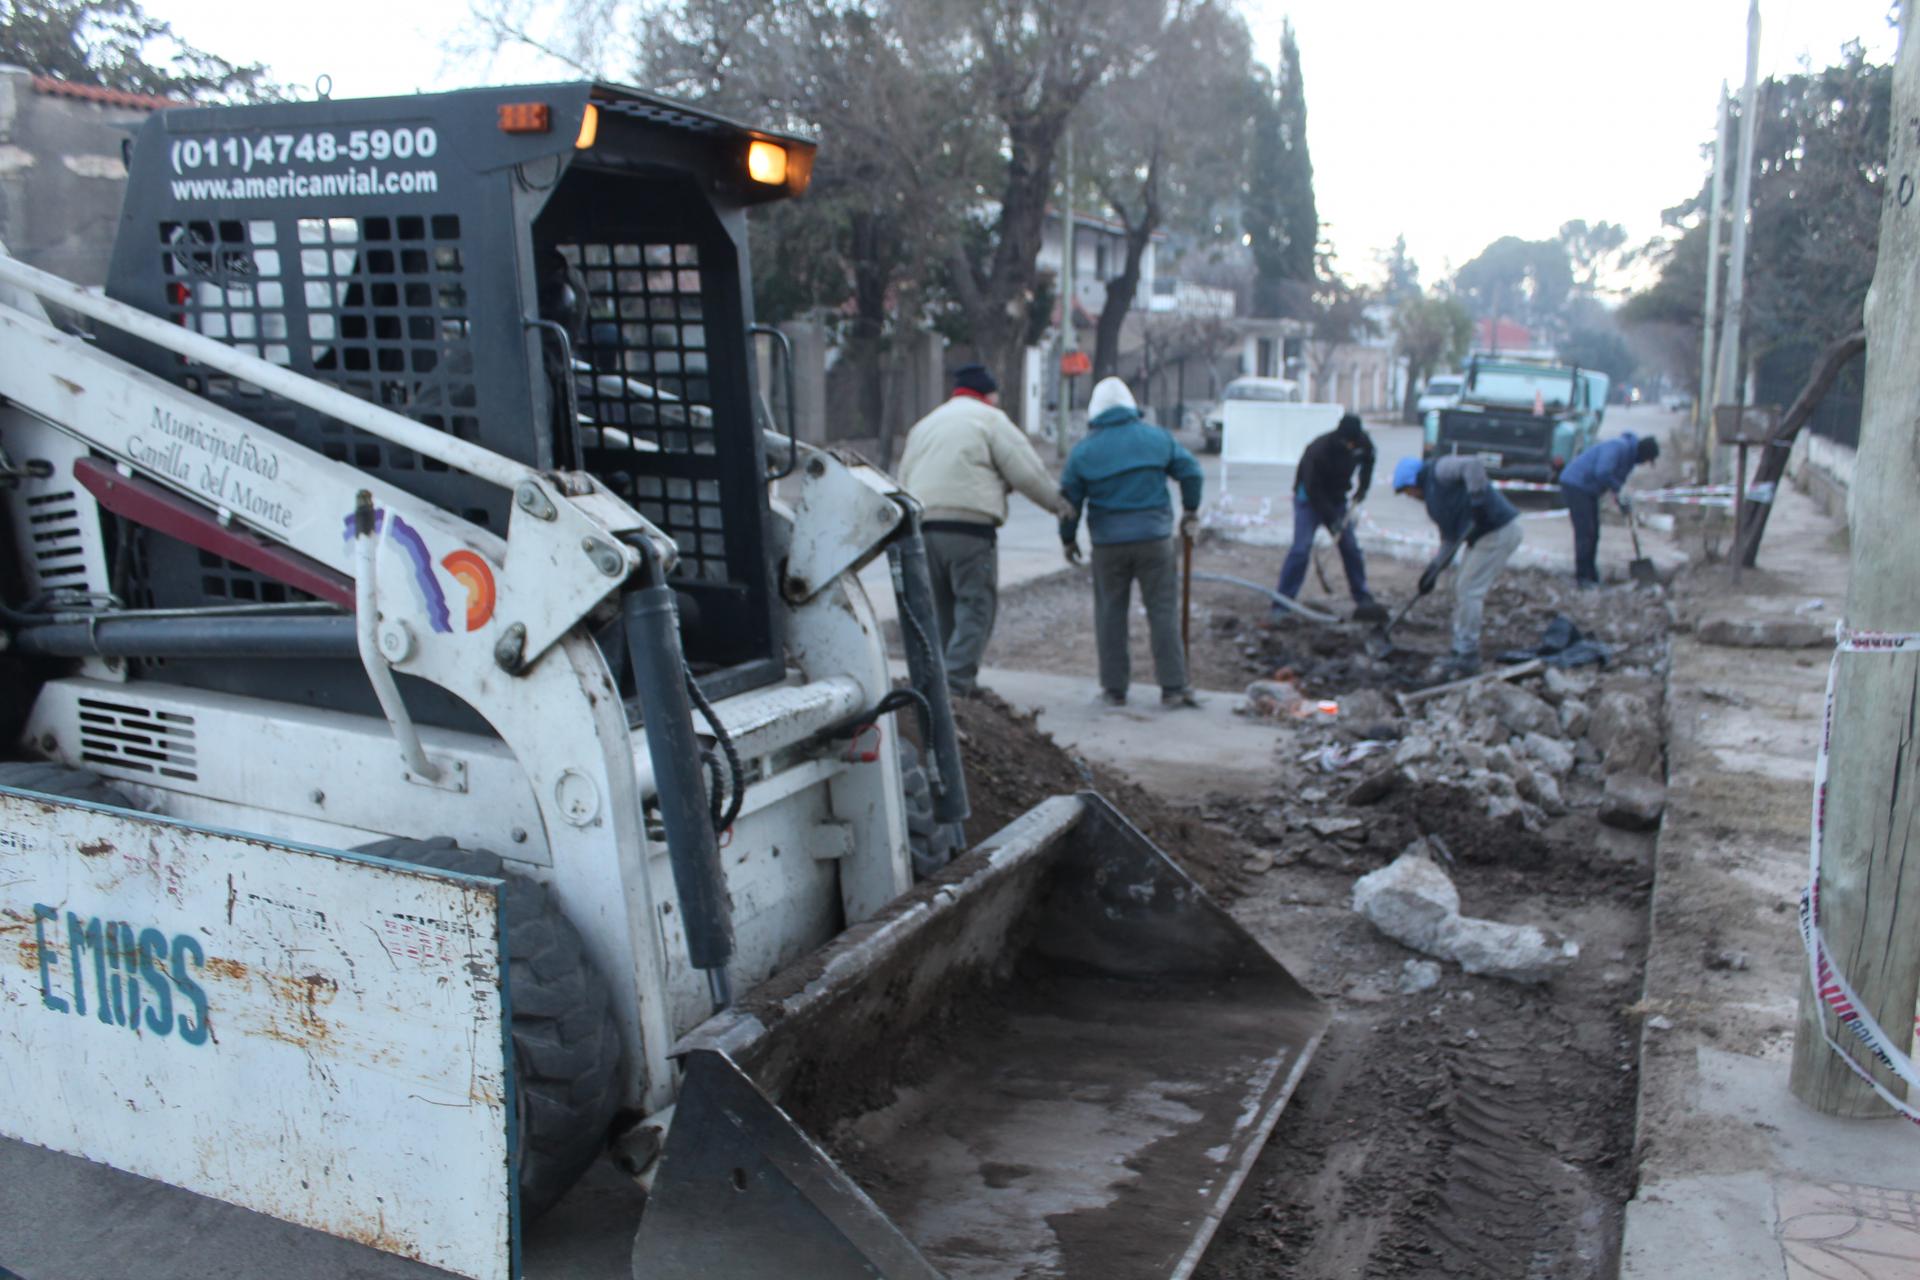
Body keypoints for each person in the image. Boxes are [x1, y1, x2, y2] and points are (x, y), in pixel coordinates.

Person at [897, 363, 1072, 696]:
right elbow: (1027, 472)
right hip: (970, 528)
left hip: (924, 529)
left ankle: (941, 684)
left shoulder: (925, 425)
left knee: (943, 607)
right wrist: (1059, 505)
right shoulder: (990, 420)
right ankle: (958, 684)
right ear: (987, 394)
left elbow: (904, 478)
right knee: (976, 606)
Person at [1058, 377, 1205, 708]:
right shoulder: (1157, 439)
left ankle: (1114, 689)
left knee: (1110, 614)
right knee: (1163, 612)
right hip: (1155, 540)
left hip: (1108, 545)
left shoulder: (1084, 451)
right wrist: (1190, 512)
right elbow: (1192, 472)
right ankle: (1173, 687)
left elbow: (1068, 501)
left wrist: (1068, 540)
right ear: (1131, 408)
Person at [1392, 454, 1522, 678]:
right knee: (1459, 586)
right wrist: (1433, 570)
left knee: (1469, 588)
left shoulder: (1439, 470)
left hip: (1497, 530)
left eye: (1407, 491)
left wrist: (1478, 500)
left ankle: (1467, 653)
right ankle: (1460, 646)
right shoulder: (1433, 505)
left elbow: (1472, 465)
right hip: (1482, 536)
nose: (1410, 497)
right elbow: (1450, 541)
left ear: (1413, 482)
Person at [1273, 413, 1386, 622]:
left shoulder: (1362, 442)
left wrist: (1363, 488)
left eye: (1355, 442)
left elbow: (1369, 459)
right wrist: (1332, 519)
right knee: (1300, 549)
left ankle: (1362, 598)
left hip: (1337, 499)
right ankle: (1282, 603)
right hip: (1308, 500)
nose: (1352, 446)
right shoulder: (1319, 450)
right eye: (1349, 443)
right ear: (1340, 437)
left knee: (1350, 547)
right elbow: (1312, 488)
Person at [1558, 434, 1659, 586]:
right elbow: (1602, 472)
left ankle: (1591, 576)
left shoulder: (1629, 460)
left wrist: (1622, 502)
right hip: (1576, 485)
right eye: (1646, 460)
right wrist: (1618, 488)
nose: (1643, 464)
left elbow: (1615, 483)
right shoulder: (1618, 447)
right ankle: (1583, 578)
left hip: (1588, 490)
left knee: (1594, 533)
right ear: (1643, 454)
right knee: (1586, 532)